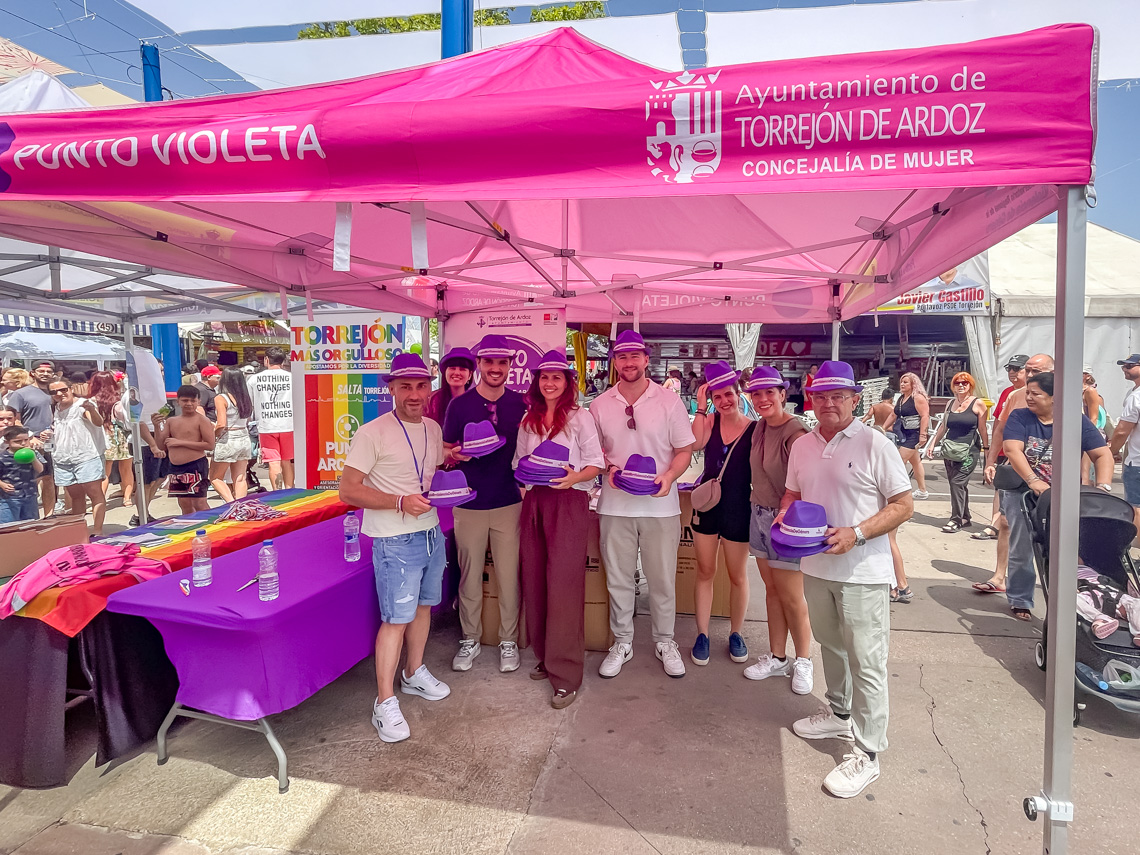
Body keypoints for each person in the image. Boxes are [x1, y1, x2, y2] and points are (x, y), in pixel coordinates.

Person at [782, 360, 913, 799]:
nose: (828, 404)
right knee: (831, 645)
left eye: (838, 396)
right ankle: (839, 715)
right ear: (811, 400)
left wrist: (856, 533)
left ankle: (868, 752)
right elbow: (794, 492)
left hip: (863, 571)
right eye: (821, 396)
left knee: (867, 661)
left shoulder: (875, 443)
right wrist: (784, 513)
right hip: (815, 565)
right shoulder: (803, 445)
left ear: (855, 400)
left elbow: (904, 505)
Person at [339, 353, 449, 743]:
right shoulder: (372, 433)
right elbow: (347, 490)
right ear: (391, 390)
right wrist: (399, 501)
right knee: (396, 620)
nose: (414, 394)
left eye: (421, 386)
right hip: (393, 539)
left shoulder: (433, 428)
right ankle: (384, 701)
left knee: (424, 607)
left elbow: (429, 470)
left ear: (430, 388)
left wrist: (456, 462)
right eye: (405, 387)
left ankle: (413, 672)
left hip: (431, 531)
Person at [590, 330, 695, 679]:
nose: (629, 362)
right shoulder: (600, 404)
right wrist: (608, 468)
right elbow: (594, 452)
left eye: (635, 356)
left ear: (646, 360)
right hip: (614, 505)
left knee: (662, 579)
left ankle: (665, 640)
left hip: (660, 507)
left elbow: (684, 450)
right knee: (618, 579)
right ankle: (622, 641)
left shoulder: (669, 401)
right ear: (614, 362)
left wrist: (670, 477)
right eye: (622, 356)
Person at [515, 351, 604, 708]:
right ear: (536, 382)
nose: (550, 383)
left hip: (568, 501)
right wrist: (528, 493)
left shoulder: (580, 418)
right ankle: (545, 655)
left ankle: (566, 673)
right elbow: (519, 463)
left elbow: (596, 463)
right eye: (544, 377)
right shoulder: (529, 420)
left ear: (568, 383)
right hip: (535, 501)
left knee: (564, 584)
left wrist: (573, 479)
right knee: (535, 579)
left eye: (557, 377)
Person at [442, 334, 528, 674]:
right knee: (469, 577)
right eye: (488, 361)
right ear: (478, 364)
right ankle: (470, 638)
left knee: (509, 577)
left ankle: (508, 640)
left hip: (509, 502)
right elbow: (445, 449)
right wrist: (454, 454)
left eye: (501, 362)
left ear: (509, 366)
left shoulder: (521, 404)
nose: (495, 368)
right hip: (468, 503)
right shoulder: (459, 405)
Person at [1003, 370, 1113, 620]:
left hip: (1064, 495)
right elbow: (1012, 449)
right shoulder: (1020, 417)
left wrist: (1103, 487)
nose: (1028, 398)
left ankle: (1071, 600)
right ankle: (1020, 598)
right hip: (1024, 493)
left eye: (1035, 394)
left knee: (1067, 548)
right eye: (1027, 393)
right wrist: (1033, 480)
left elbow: (1102, 454)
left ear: (1055, 397)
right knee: (1023, 547)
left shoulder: (1075, 420)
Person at [739, 366, 817, 690]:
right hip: (758, 515)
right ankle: (777, 656)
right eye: (756, 393)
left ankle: (804, 661)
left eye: (769, 392)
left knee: (792, 597)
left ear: (783, 394)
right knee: (772, 591)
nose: (762, 399)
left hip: (786, 522)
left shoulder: (795, 432)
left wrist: (792, 519)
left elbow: (807, 483)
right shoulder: (759, 427)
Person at [688, 361, 755, 667]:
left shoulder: (754, 429)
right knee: (705, 571)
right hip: (708, 506)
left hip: (739, 508)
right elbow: (696, 444)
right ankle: (702, 634)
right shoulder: (710, 421)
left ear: (739, 394)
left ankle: (736, 633)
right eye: (718, 397)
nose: (725, 401)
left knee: (737, 575)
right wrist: (701, 407)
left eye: (729, 394)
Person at [981, 353, 1052, 603]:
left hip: (1052, 481)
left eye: (1035, 371)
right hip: (1016, 475)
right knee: (1007, 526)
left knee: (1052, 541)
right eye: (1026, 370)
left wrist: (1090, 482)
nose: (1027, 375)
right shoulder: (1013, 395)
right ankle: (1002, 579)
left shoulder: (1067, 396)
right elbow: (1000, 430)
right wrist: (990, 461)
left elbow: (1085, 442)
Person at [925, 372, 989, 533]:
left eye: (964, 383)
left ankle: (956, 519)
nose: (961, 385)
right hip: (950, 449)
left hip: (969, 450)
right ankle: (965, 516)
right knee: (957, 485)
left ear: (970, 385)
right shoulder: (950, 403)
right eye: (957, 383)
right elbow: (943, 427)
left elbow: (983, 429)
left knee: (957, 483)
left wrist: (987, 450)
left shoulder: (978, 403)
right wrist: (932, 444)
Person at [48, 379, 107, 537]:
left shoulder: (82, 405)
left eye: (63, 389)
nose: (59, 394)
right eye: (54, 392)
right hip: (63, 458)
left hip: (86, 456)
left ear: (71, 388)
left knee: (94, 494)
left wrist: (92, 410)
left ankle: (97, 531)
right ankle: (81, 532)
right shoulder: (55, 408)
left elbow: (98, 422)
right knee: (76, 496)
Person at [8, 361, 58, 518]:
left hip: (51, 443)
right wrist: (29, 437)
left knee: (49, 480)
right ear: (33, 373)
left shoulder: (55, 392)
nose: (45, 374)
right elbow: (14, 420)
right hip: (29, 445)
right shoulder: (21, 394)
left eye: (48, 371)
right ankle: (27, 517)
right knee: (31, 481)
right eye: (41, 371)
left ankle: (49, 515)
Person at [159, 386, 215, 514]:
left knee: (199, 502)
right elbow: (161, 445)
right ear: (178, 401)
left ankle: (209, 523)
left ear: (198, 402)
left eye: (192, 401)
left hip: (195, 465)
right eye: (185, 400)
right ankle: (190, 524)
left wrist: (180, 443)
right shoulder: (171, 421)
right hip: (176, 468)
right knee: (184, 503)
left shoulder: (202, 420)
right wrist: (157, 426)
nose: (189, 404)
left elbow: (210, 445)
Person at [247, 347, 294, 490]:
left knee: (273, 462)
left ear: (266, 360)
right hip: (289, 424)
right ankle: (290, 490)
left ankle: (277, 492)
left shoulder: (254, 379)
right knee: (286, 461)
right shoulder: (292, 378)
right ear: (283, 361)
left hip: (266, 426)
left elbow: (249, 404)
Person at [87, 370, 134, 508]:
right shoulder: (119, 401)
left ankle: (100, 500)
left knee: (104, 472)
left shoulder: (91, 402)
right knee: (126, 469)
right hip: (121, 436)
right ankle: (127, 498)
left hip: (103, 437)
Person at [210, 368, 254, 503]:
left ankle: (231, 504)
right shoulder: (245, 398)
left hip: (228, 439)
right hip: (244, 438)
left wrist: (213, 437)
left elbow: (221, 424)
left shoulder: (221, 398)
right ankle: (241, 505)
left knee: (215, 478)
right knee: (240, 478)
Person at [1109, 352, 1140, 539]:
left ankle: (1137, 549)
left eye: (1129, 366)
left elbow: (1122, 431)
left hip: (1137, 463)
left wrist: (1110, 452)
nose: (1124, 369)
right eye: (1124, 365)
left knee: (1136, 508)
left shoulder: (1135, 397)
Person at [884, 372, 930, 498]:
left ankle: (898, 489)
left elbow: (925, 416)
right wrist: (883, 428)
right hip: (904, 433)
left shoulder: (917, 398)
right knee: (916, 462)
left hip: (914, 434)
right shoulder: (901, 398)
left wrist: (923, 435)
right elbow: (893, 414)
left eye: (905, 382)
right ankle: (922, 490)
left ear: (913, 384)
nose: (902, 384)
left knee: (899, 461)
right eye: (901, 382)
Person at [0, 425, 44, 523]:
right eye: (18, 441)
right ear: (7, 441)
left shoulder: (32, 453)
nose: (23, 443)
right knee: (8, 525)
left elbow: (40, 469)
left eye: (26, 440)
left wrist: (33, 457)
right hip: (9, 498)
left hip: (30, 495)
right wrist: (2, 484)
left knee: (30, 524)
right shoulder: (2, 457)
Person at [425, 346, 475, 424]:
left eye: (462, 369)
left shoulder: (475, 402)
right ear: (445, 372)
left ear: (470, 375)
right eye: (452, 368)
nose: (457, 373)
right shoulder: (432, 400)